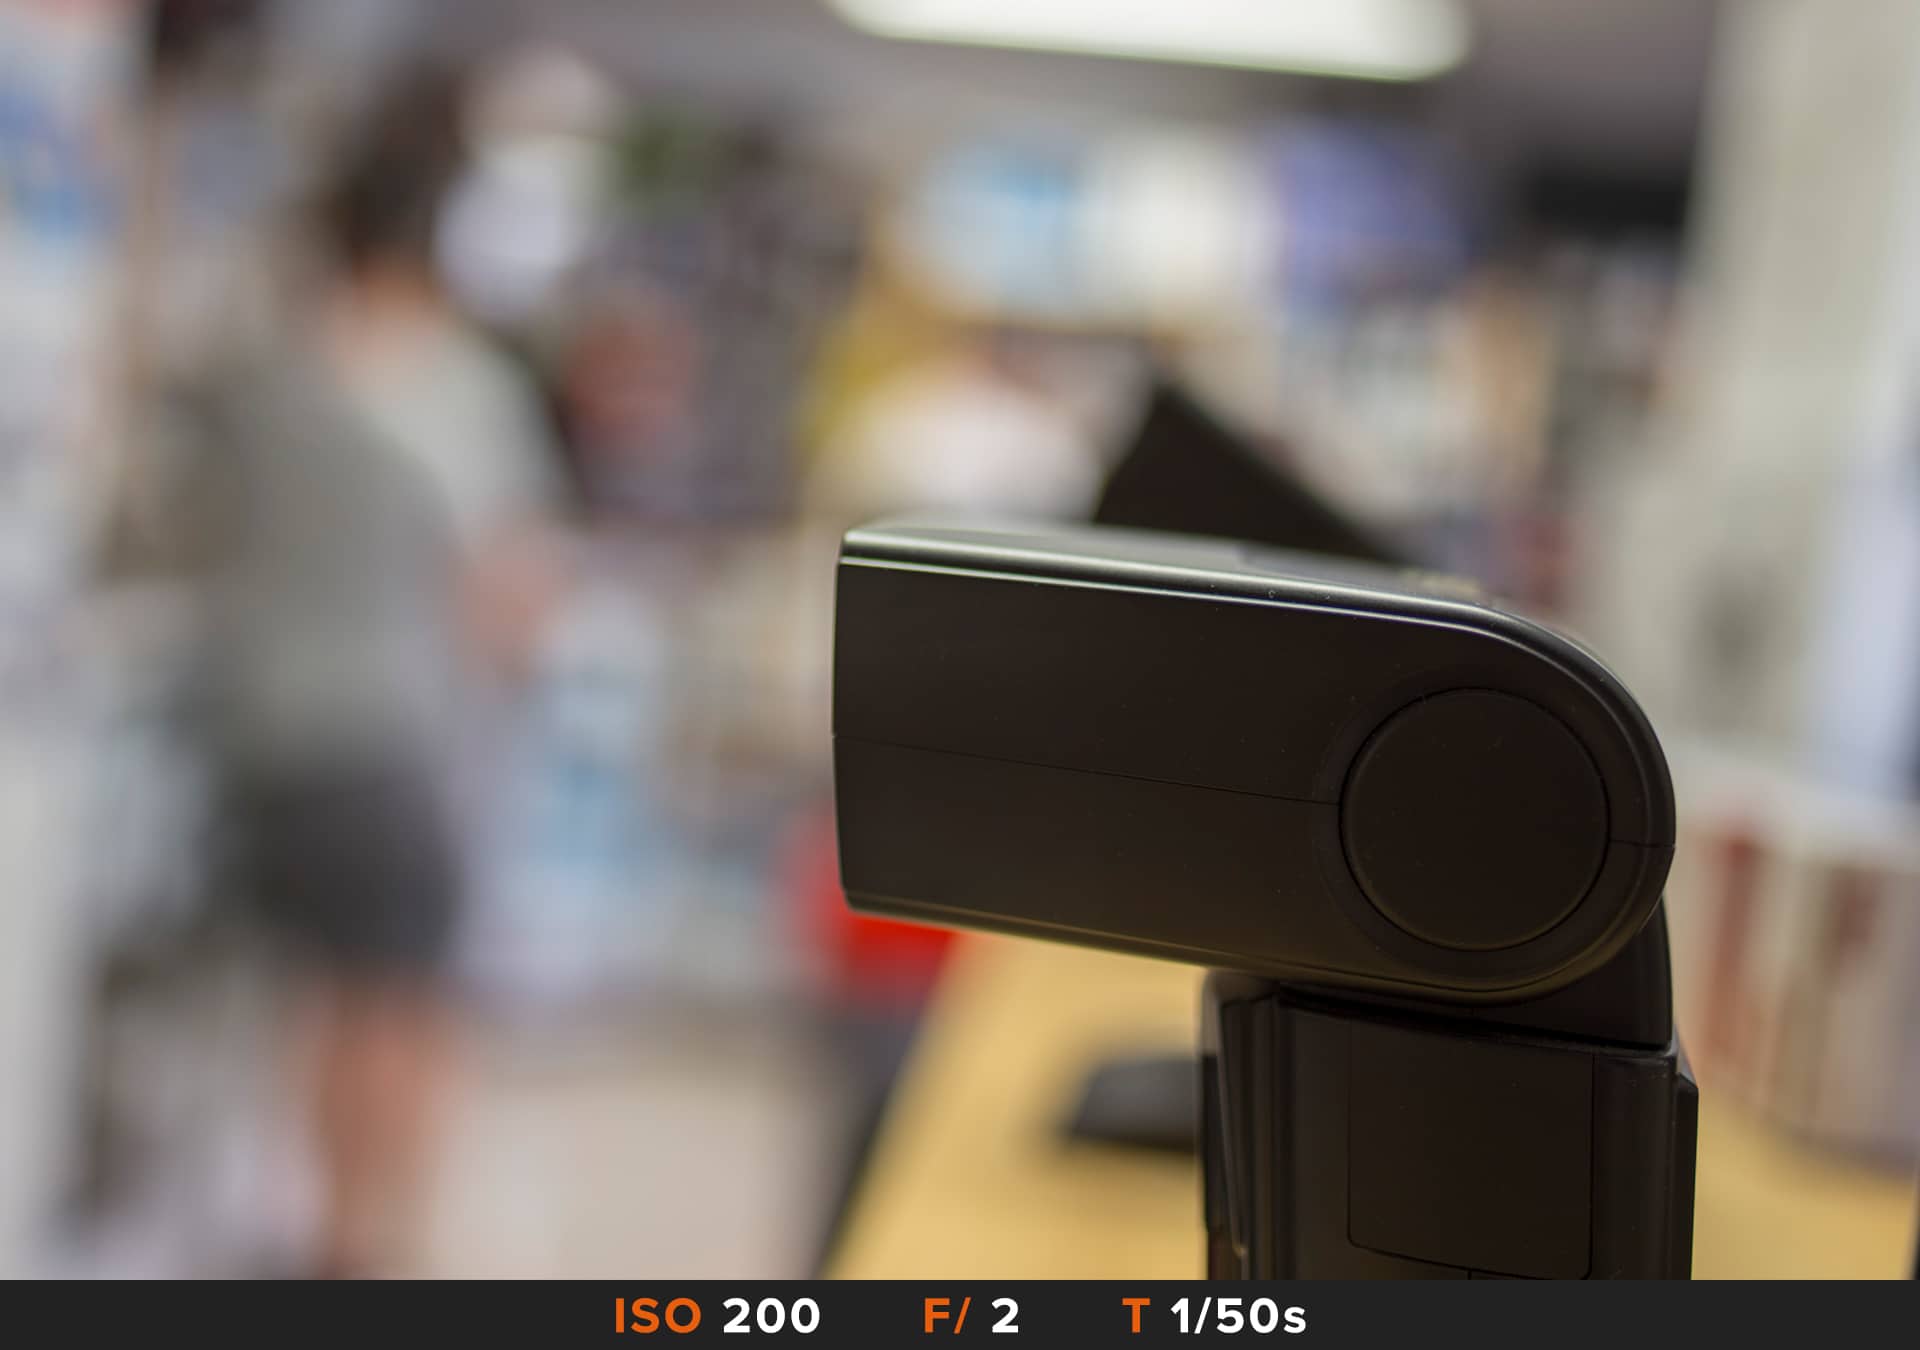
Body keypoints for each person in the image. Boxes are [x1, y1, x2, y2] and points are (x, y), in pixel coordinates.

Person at [186, 71, 559, 1276]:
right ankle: (371, 1244)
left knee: (321, 999)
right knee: (401, 1005)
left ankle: (324, 1231)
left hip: (262, 740)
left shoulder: (273, 373)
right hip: (393, 745)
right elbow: (505, 593)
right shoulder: (453, 384)